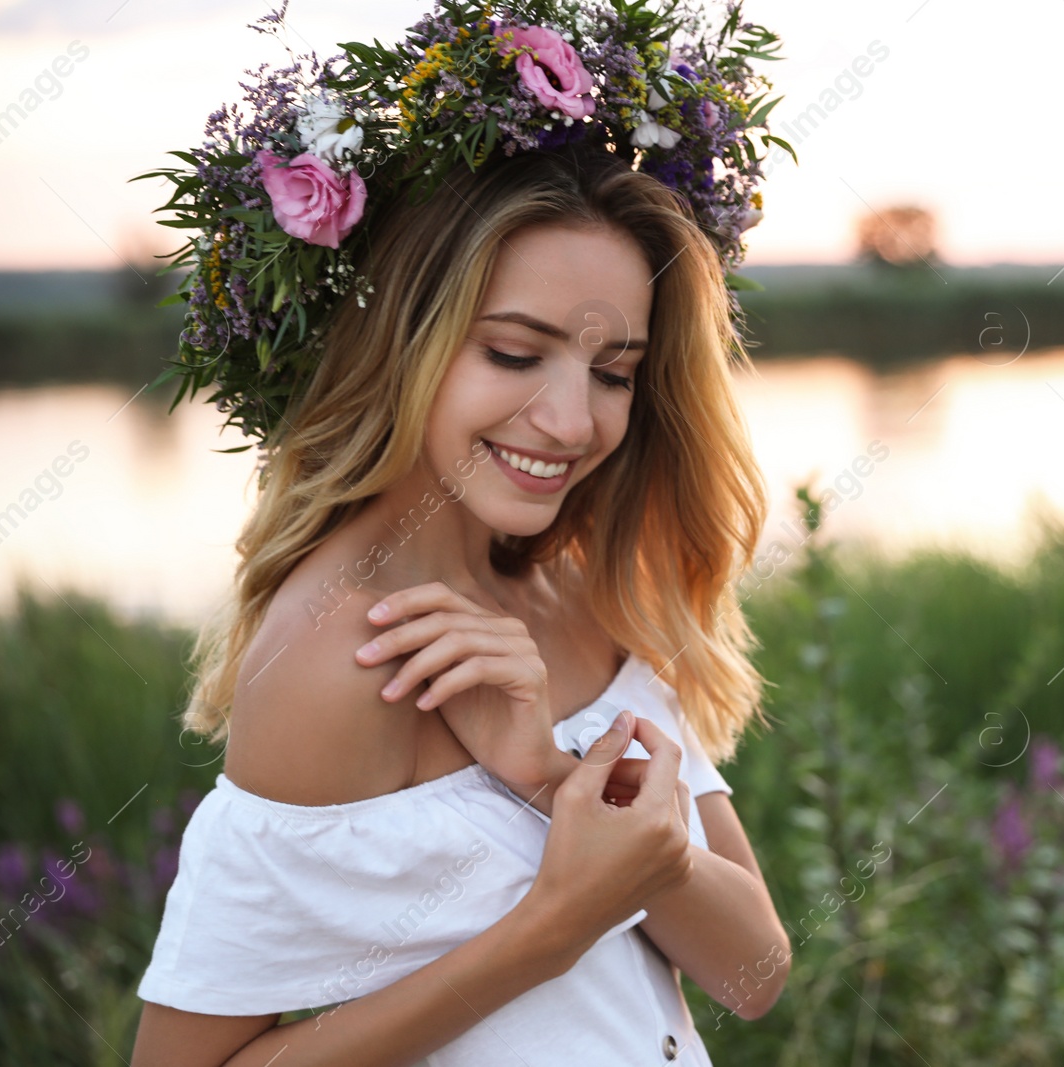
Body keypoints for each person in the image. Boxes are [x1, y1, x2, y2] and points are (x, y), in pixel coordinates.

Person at [126, 4, 794, 1062]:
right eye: (515, 355)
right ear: (404, 344)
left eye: (612, 371)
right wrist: (552, 923)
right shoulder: (340, 656)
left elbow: (753, 971)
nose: (573, 422)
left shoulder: (580, 591)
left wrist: (544, 776)